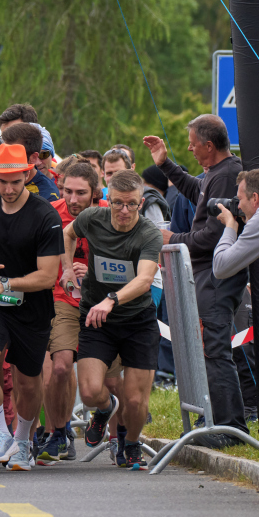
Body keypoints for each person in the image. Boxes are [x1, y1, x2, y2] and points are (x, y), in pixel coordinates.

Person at [144, 115, 246, 442]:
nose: (189, 148)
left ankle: (230, 429)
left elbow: (213, 236)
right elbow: (195, 190)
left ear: (209, 145)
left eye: (192, 143)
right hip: (208, 274)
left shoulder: (227, 174)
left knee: (215, 350)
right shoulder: (216, 174)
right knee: (209, 350)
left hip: (217, 276)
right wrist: (165, 164)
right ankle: (215, 424)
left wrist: (171, 239)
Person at [0, 143, 63, 471]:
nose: (7, 188)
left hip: (31, 307)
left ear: (27, 174)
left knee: (27, 380)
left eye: (15, 181)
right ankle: (1, 434)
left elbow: (48, 276)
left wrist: (6, 284)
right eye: (2, 181)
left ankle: (22, 440)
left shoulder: (44, 215)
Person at [65, 169, 164, 471]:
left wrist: (112, 299)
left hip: (137, 320)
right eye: (118, 203)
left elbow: (146, 279)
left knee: (135, 401)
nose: (124, 211)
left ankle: (131, 443)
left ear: (140, 203)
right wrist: (68, 268)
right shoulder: (92, 219)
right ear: (108, 199)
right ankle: (106, 409)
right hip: (97, 320)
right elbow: (67, 233)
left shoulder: (148, 233)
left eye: (131, 204)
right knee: (92, 392)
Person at [41, 159, 103, 461]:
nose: (72, 199)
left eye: (80, 193)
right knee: (61, 366)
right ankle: (59, 431)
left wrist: (90, 270)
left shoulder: (110, 211)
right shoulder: (51, 214)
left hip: (103, 301)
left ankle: (115, 433)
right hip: (61, 297)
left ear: (95, 193)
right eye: (67, 191)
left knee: (110, 381)